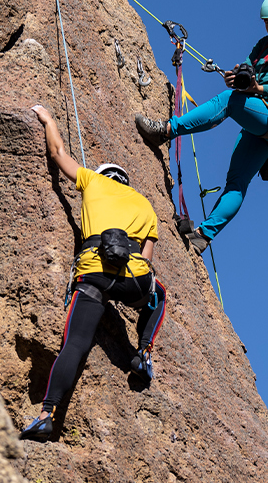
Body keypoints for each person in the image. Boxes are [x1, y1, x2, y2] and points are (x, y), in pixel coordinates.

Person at [19, 105, 168, 442]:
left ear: (103, 174)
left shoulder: (92, 181)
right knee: (158, 293)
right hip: (134, 278)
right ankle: (143, 354)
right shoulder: (146, 206)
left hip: (94, 274)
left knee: (75, 345)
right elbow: (146, 258)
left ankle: (47, 414)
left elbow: (57, 153)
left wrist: (48, 120)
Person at [135, 0, 268, 254]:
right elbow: (247, 70)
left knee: (229, 101)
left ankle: (166, 130)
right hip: (263, 118)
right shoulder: (263, 45)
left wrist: (257, 87)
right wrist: (236, 78)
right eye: (267, 22)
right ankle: (203, 237)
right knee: (236, 181)